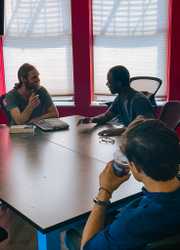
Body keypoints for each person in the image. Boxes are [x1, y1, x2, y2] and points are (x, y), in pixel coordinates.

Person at [66, 119, 180, 250]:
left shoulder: (133, 222)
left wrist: (105, 192)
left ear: (136, 167)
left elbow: (86, 248)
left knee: (72, 233)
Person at [77, 65, 155, 136]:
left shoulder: (139, 100)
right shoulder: (120, 98)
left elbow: (146, 126)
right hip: (130, 137)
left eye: (109, 81)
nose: (107, 84)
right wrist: (92, 119)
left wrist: (118, 131)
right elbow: (107, 116)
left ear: (119, 83)